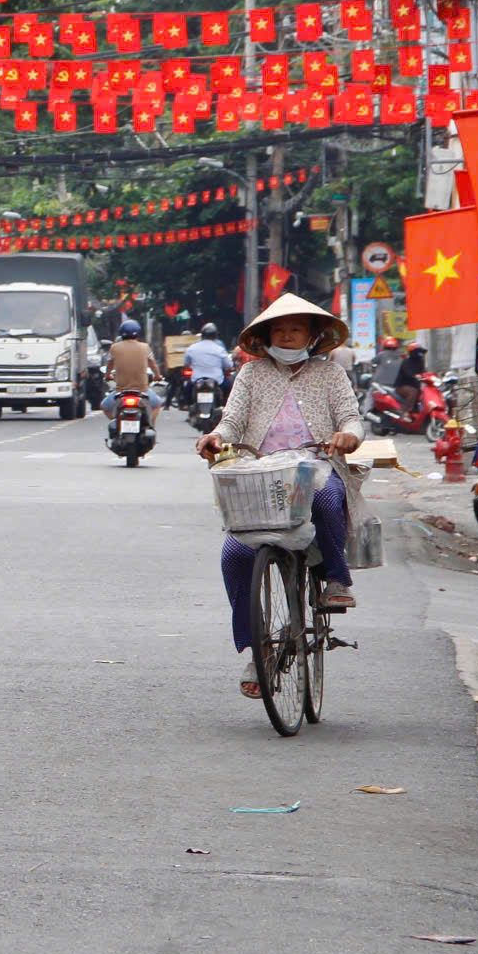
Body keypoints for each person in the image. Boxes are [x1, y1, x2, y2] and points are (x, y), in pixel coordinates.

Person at [196, 294, 366, 698]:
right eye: (279, 329)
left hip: (316, 465)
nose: (287, 336)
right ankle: (258, 650)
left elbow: (351, 418)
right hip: (262, 473)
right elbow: (233, 419)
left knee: (326, 501)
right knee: (235, 555)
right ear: (267, 336)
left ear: (312, 335)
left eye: (296, 329)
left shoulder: (331, 375)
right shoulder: (251, 376)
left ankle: (336, 580)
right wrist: (217, 437)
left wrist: (348, 436)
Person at [103, 318, 163, 425]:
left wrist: (107, 376)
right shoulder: (145, 347)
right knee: (157, 404)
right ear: (137, 333)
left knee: (105, 407)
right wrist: (158, 376)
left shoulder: (114, 348)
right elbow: (153, 365)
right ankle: (150, 425)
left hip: (120, 392)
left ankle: (117, 424)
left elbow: (109, 366)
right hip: (142, 391)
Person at [183, 322, 234, 388]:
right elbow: (229, 365)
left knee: (187, 389)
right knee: (229, 387)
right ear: (215, 335)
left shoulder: (192, 348)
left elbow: (186, 363)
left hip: (196, 380)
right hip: (217, 380)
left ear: (202, 335)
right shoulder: (219, 349)